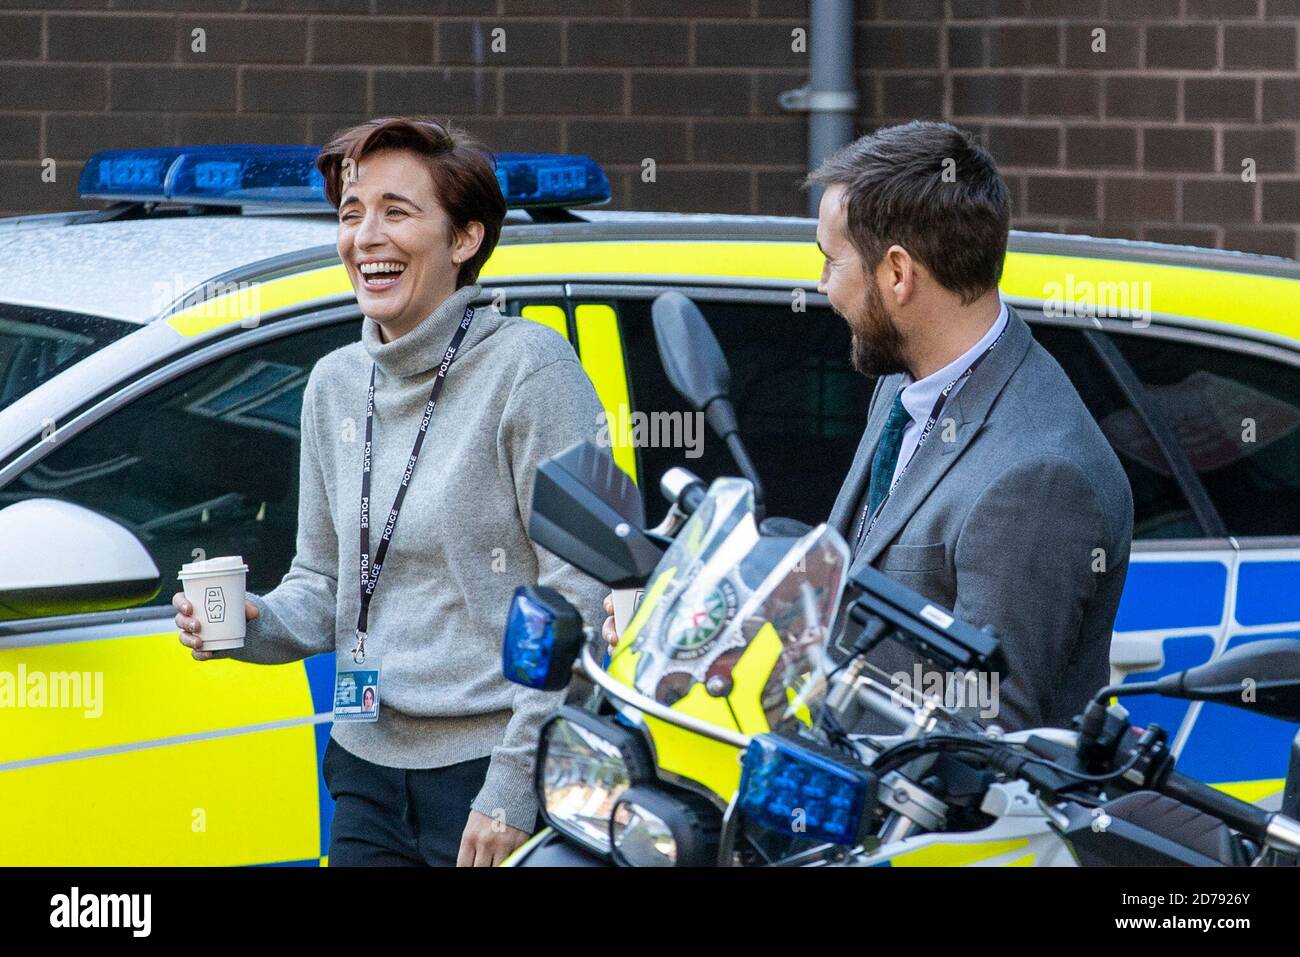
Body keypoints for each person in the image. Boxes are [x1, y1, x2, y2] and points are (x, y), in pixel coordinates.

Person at [174, 116, 607, 866]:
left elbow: (580, 595)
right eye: (351, 213)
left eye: (396, 212)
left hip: (487, 775)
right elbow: (324, 583)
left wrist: (514, 782)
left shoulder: (532, 369)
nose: (365, 236)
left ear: (465, 238)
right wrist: (252, 623)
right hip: (365, 766)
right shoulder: (334, 384)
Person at [605, 120, 1133, 733]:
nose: (821, 285)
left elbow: (981, 735)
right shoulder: (903, 382)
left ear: (898, 274)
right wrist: (681, 628)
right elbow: (844, 607)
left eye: (832, 261)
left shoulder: (1040, 475)